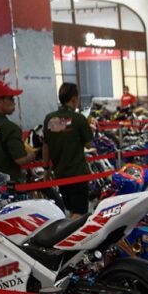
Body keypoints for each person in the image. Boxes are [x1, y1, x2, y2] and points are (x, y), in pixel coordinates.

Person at [42, 82, 93, 217]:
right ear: (74, 99)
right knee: (79, 213)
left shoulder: (49, 119)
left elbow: (46, 145)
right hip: (77, 173)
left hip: (60, 173)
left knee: (70, 209)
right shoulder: (78, 119)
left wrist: (46, 169)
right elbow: (89, 145)